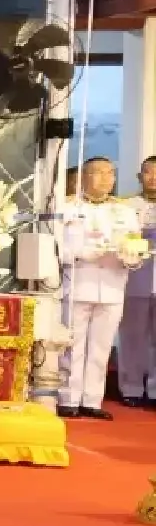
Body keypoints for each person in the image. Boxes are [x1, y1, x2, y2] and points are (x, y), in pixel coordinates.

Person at [60, 155, 146, 420]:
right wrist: (81, 253)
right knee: (72, 344)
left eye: (111, 173)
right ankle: (67, 397)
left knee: (101, 346)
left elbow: (135, 245)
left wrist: (132, 259)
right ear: (85, 176)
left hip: (111, 285)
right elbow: (56, 248)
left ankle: (92, 399)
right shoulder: (68, 208)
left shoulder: (124, 212)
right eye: (99, 172)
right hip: (78, 282)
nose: (107, 178)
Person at [117, 156, 156, 406]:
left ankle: (154, 390)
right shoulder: (126, 206)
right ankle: (131, 388)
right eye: (148, 172)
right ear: (139, 177)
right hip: (136, 277)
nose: (153, 177)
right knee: (132, 335)